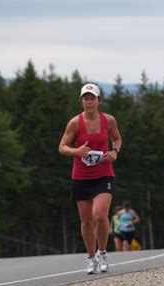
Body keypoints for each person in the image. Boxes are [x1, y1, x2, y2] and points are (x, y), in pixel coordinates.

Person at [58, 83, 122, 274]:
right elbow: (62, 146)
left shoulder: (109, 120)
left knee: (100, 215)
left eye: (92, 98)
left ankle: (103, 253)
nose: (89, 102)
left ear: (99, 101)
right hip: (81, 176)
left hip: (103, 174)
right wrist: (76, 151)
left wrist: (115, 151)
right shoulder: (75, 123)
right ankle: (91, 257)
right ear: (81, 101)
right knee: (86, 220)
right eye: (85, 98)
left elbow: (117, 139)